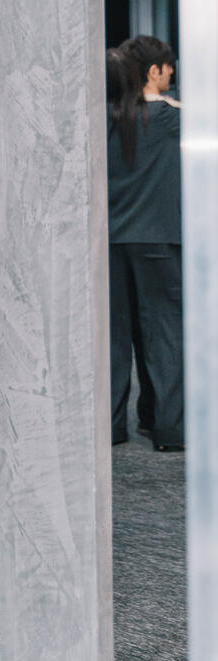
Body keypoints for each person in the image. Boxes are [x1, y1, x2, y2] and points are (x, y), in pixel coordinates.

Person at [107, 37, 183, 451]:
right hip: (159, 240)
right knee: (165, 334)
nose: (171, 74)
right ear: (153, 72)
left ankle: (112, 426)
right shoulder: (169, 118)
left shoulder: (105, 117)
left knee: (115, 337)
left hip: (112, 242)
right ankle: (169, 429)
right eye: (167, 67)